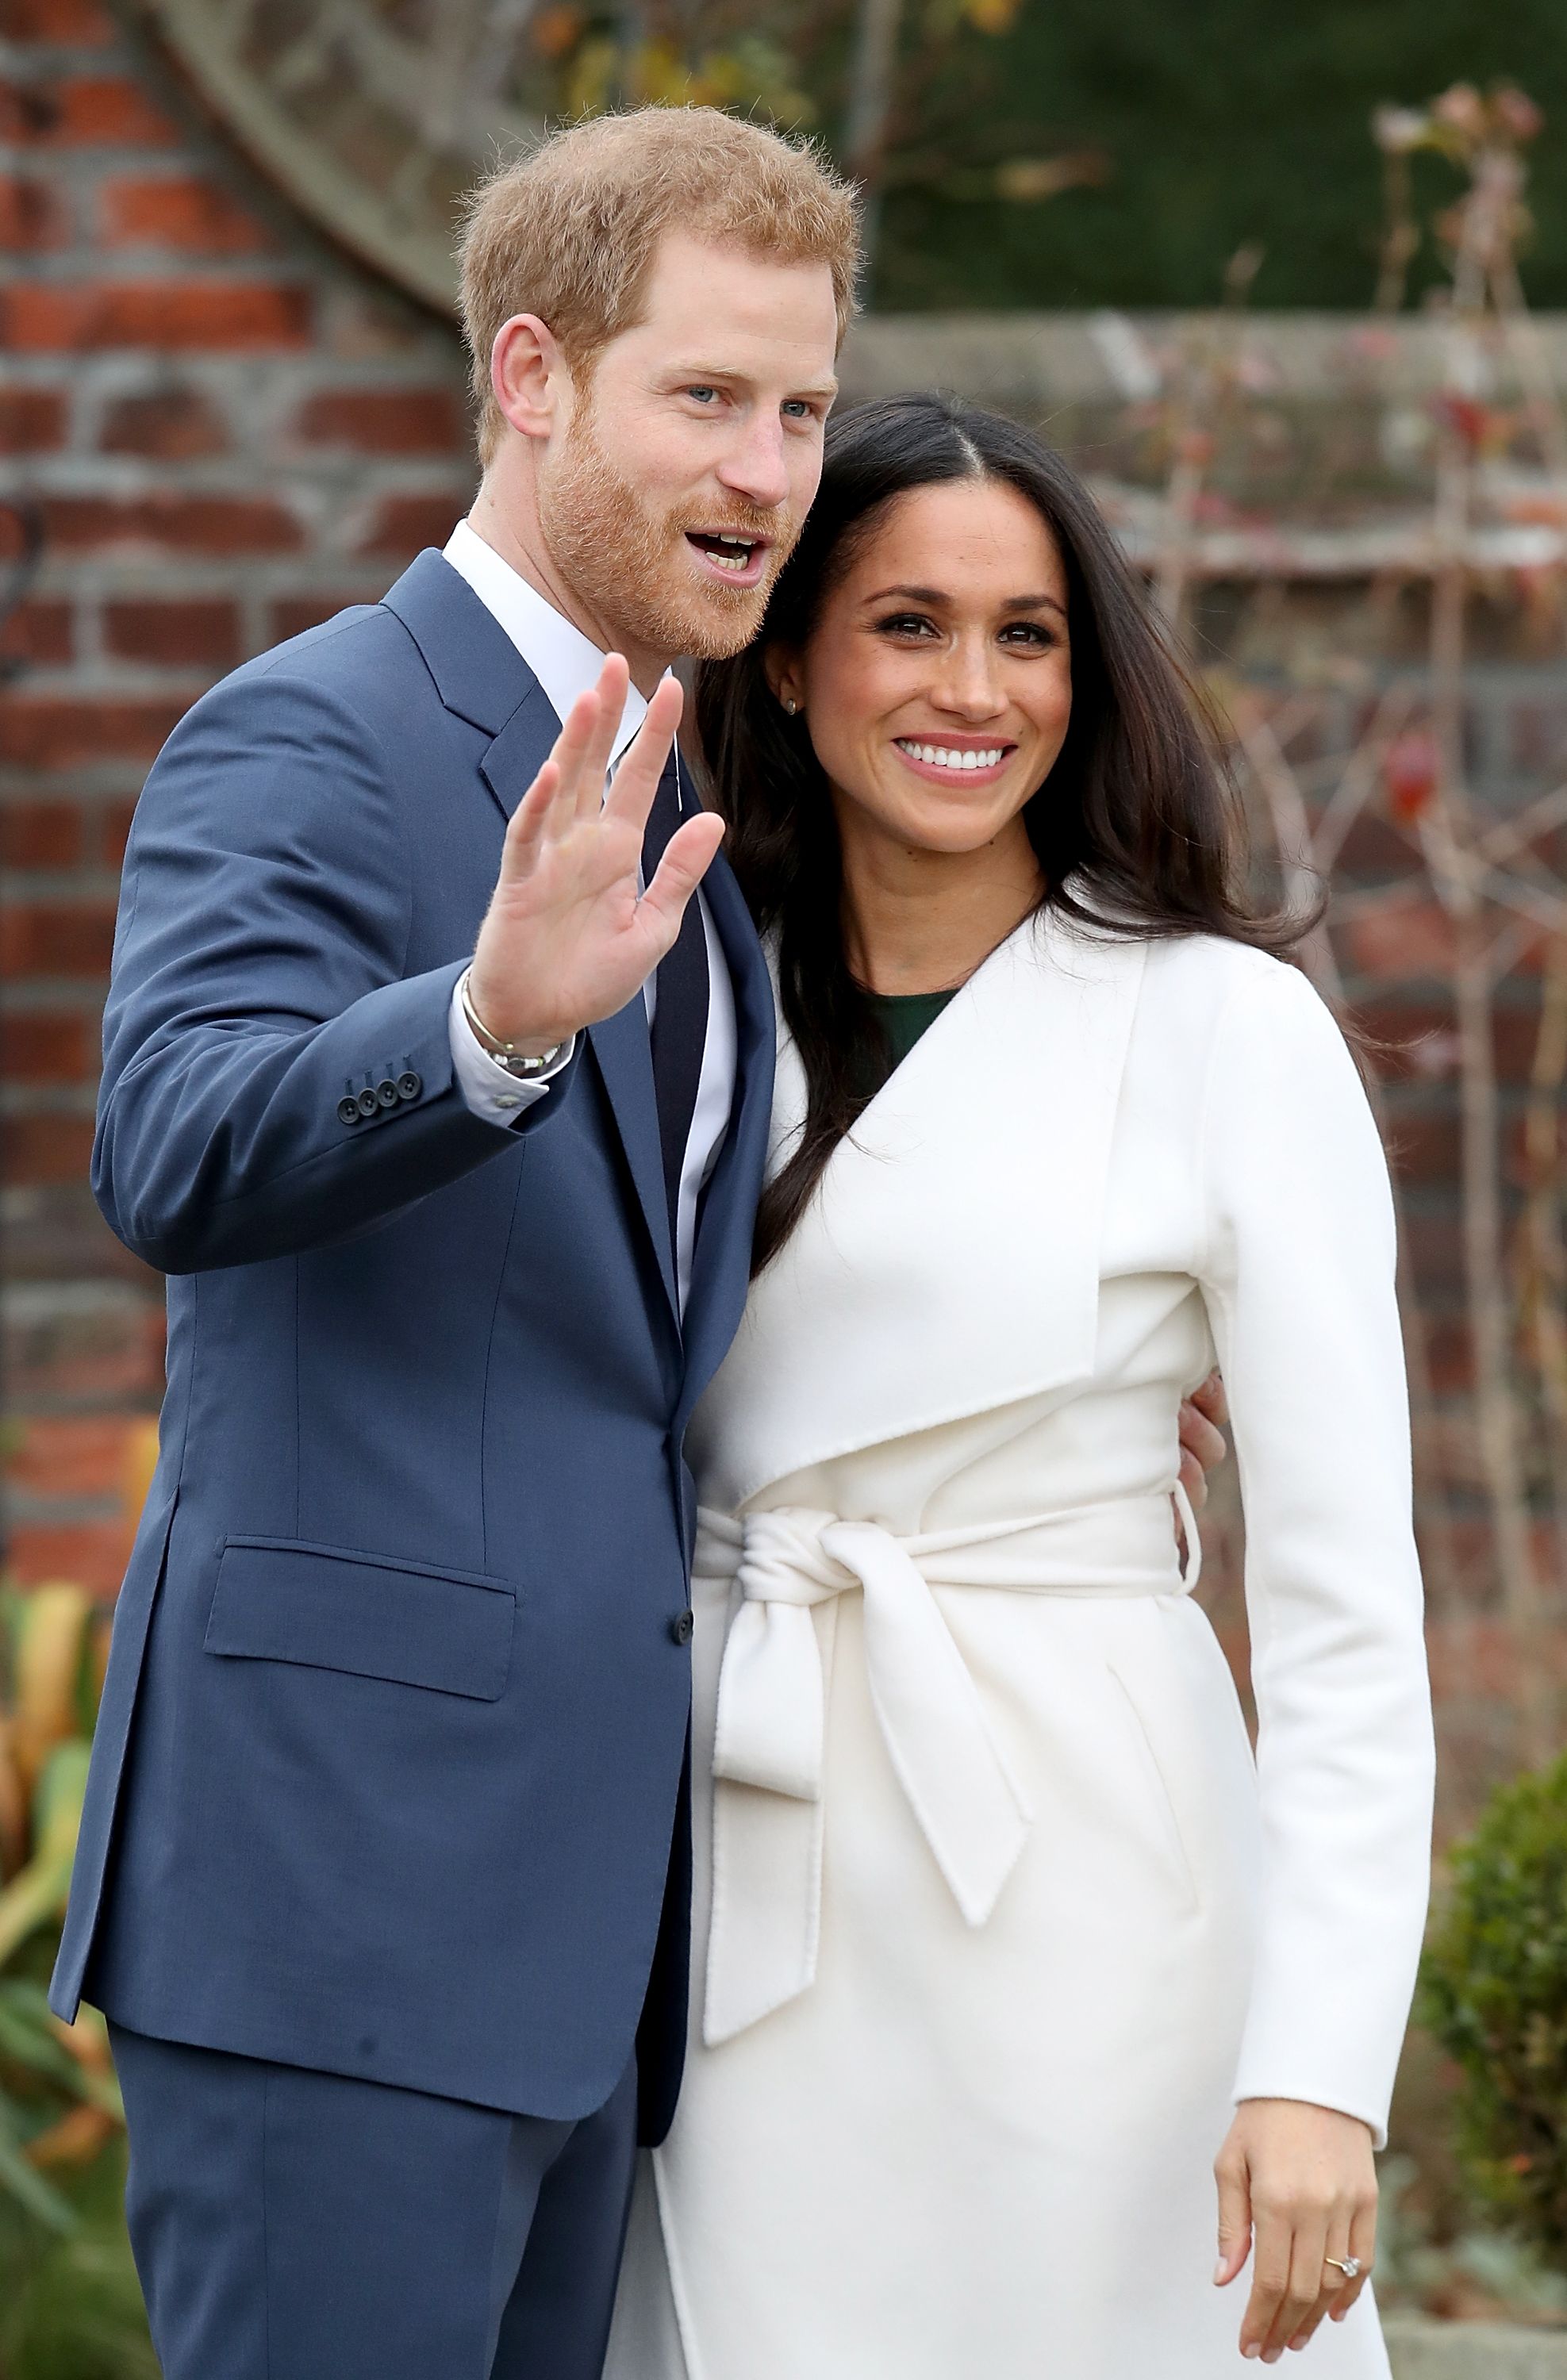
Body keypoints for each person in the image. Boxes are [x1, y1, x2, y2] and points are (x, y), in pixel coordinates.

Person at [49, 108, 856, 2380]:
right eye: (706, 395)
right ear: (529, 378)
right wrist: (487, 1025)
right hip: (337, 1913)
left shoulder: (703, 808)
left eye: (801, 408)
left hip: (586, 1943)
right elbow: (171, 1146)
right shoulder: (311, 733)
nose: (771, 466)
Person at [602, 394, 1436, 2379]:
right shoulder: (672, 1004)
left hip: (1096, 1888)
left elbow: (1343, 1615)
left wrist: (1322, 2069)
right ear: (789, 658)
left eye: (1027, 633)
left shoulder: (1221, 1027)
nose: (970, 688)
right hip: (744, 1870)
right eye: (905, 624)